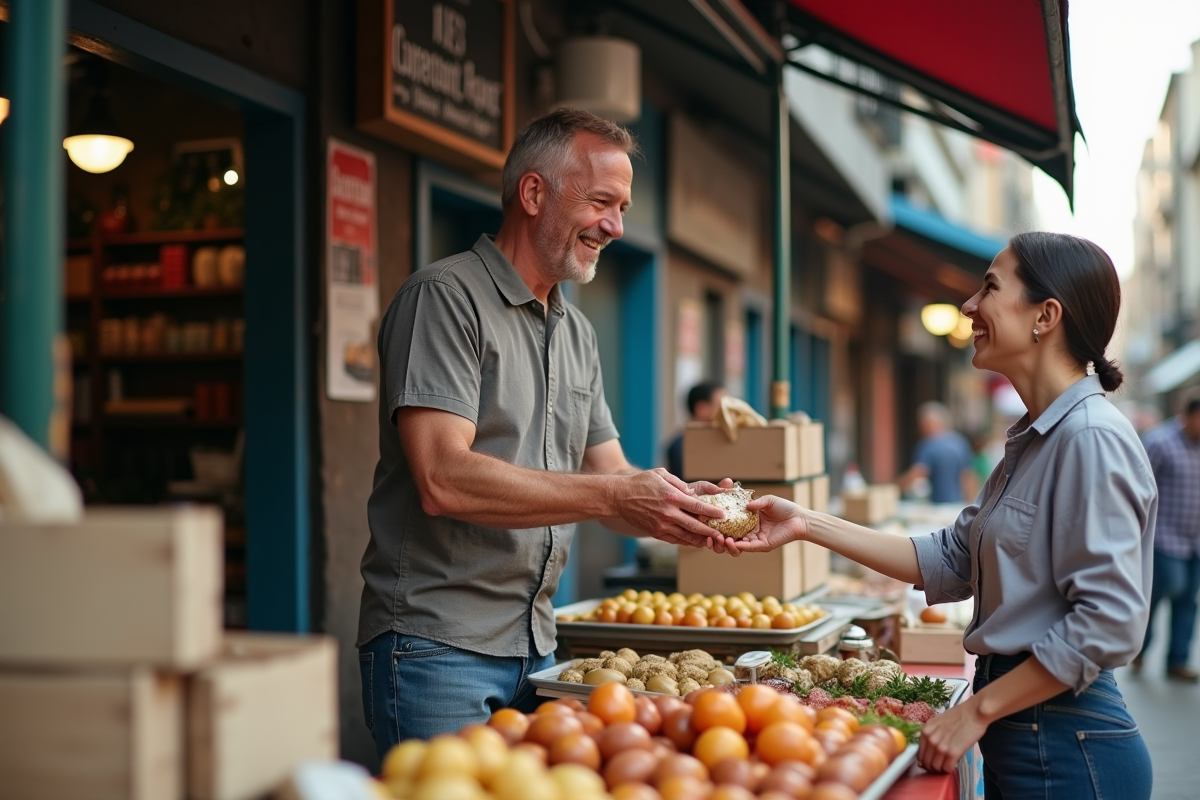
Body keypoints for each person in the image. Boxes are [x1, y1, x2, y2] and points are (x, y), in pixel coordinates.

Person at [709, 232, 1156, 799]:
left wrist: (976, 712)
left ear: (1045, 315)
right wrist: (804, 522)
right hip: (1032, 732)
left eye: (990, 287)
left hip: (1068, 744)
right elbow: (947, 558)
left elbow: (1110, 622)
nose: (969, 306)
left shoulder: (1090, 438)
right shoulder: (1038, 439)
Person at [357, 108, 730, 759]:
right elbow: (443, 478)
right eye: (602, 203)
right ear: (534, 194)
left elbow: (612, 478)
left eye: (623, 207)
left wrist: (681, 505)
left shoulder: (576, 331)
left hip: (537, 647)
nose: (616, 226)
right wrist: (617, 497)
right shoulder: (444, 298)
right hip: (437, 648)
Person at [1134, 396, 1200, 681]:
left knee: (1188, 599)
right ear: (1186, 415)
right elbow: (1139, 487)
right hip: (1164, 536)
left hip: (1195, 540)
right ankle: (1138, 647)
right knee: (1163, 590)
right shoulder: (1160, 442)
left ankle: (1177, 661)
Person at [897, 401, 975, 503]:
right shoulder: (960, 442)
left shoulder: (928, 444)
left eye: (921, 424)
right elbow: (967, 477)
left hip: (938, 507)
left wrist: (895, 488)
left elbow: (918, 473)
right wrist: (971, 503)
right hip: (957, 504)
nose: (919, 429)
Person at [665, 381, 727, 478]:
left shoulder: (722, 441)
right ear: (701, 408)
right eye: (721, 406)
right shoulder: (680, 447)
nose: (726, 413)